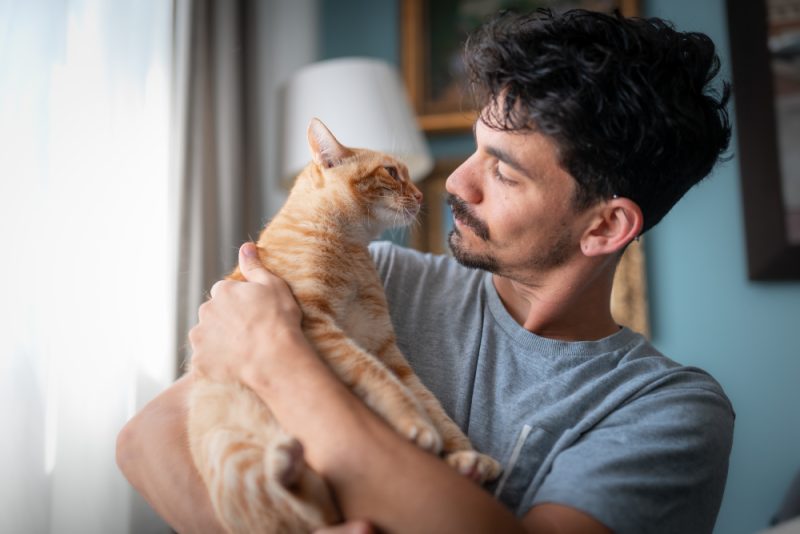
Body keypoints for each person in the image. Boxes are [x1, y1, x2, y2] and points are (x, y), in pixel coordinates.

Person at [116, 8, 735, 534]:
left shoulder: (666, 412)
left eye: (502, 170)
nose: (456, 182)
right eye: (474, 147)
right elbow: (147, 437)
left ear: (604, 227)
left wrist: (277, 355)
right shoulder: (376, 273)